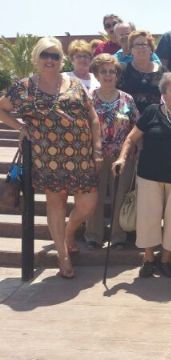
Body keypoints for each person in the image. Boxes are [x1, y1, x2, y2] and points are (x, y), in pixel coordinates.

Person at [0, 37, 101, 279]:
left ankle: (67, 233)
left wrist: (96, 148)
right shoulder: (23, 87)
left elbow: (93, 117)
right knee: (55, 203)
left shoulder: (75, 85)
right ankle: (62, 254)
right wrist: (20, 127)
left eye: (55, 56)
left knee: (88, 203)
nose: (50, 60)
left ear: (61, 59)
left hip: (80, 155)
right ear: (36, 58)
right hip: (47, 157)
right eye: (45, 55)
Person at [112, 73, 171, 278]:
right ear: (164, 94)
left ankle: (167, 259)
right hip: (149, 175)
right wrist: (122, 158)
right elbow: (131, 139)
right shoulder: (152, 112)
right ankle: (149, 259)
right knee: (148, 218)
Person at [84, 54, 140, 250]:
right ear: (97, 74)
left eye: (112, 71)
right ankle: (93, 235)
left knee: (120, 195)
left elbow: (136, 125)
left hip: (123, 156)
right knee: (95, 195)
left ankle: (118, 236)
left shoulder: (127, 99)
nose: (108, 75)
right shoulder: (88, 97)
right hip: (95, 156)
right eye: (104, 71)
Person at [117, 31, 166, 113]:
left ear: (151, 49)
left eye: (144, 44)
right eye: (137, 45)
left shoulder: (163, 72)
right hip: (128, 119)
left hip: (156, 119)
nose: (141, 47)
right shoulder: (122, 71)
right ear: (131, 50)